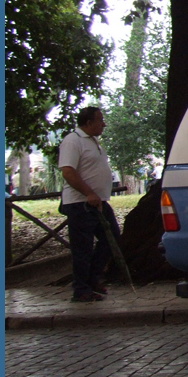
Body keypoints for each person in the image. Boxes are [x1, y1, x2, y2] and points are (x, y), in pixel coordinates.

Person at [58, 106, 121, 302]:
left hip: (99, 202)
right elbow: (68, 171)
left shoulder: (93, 142)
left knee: (111, 239)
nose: (103, 124)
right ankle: (81, 289)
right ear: (88, 123)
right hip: (81, 203)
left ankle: (93, 278)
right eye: (100, 120)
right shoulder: (73, 141)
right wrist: (88, 193)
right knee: (82, 247)